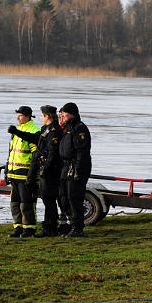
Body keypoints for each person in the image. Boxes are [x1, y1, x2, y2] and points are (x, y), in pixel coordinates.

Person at [9, 105, 64, 237]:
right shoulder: (45, 129)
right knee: (46, 199)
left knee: (48, 200)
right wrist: (17, 132)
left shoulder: (55, 131)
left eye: (42, 115)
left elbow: (52, 154)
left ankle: (50, 228)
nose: (41, 118)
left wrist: (43, 170)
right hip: (31, 170)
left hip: (48, 171)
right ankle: (48, 227)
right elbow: (35, 140)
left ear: (47, 116)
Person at [58, 102, 92, 238]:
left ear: (72, 114)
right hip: (66, 166)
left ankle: (77, 228)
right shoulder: (68, 128)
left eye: (65, 115)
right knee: (63, 196)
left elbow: (82, 152)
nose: (63, 117)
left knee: (74, 197)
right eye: (62, 115)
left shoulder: (79, 128)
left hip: (77, 166)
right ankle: (70, 224)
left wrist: (78, 169)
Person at [6, 106, 41, 238]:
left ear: (27, 116)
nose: (18, 118)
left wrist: (32, 175)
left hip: (25, 173)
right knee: (15, 202)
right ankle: (18, 227)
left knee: (27, 202)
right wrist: (7, 169)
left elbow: (36, 155)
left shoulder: (34, 130)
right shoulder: (17, 130)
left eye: (20, 115)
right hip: (14, 173)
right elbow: (11, 152)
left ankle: (29, 228)